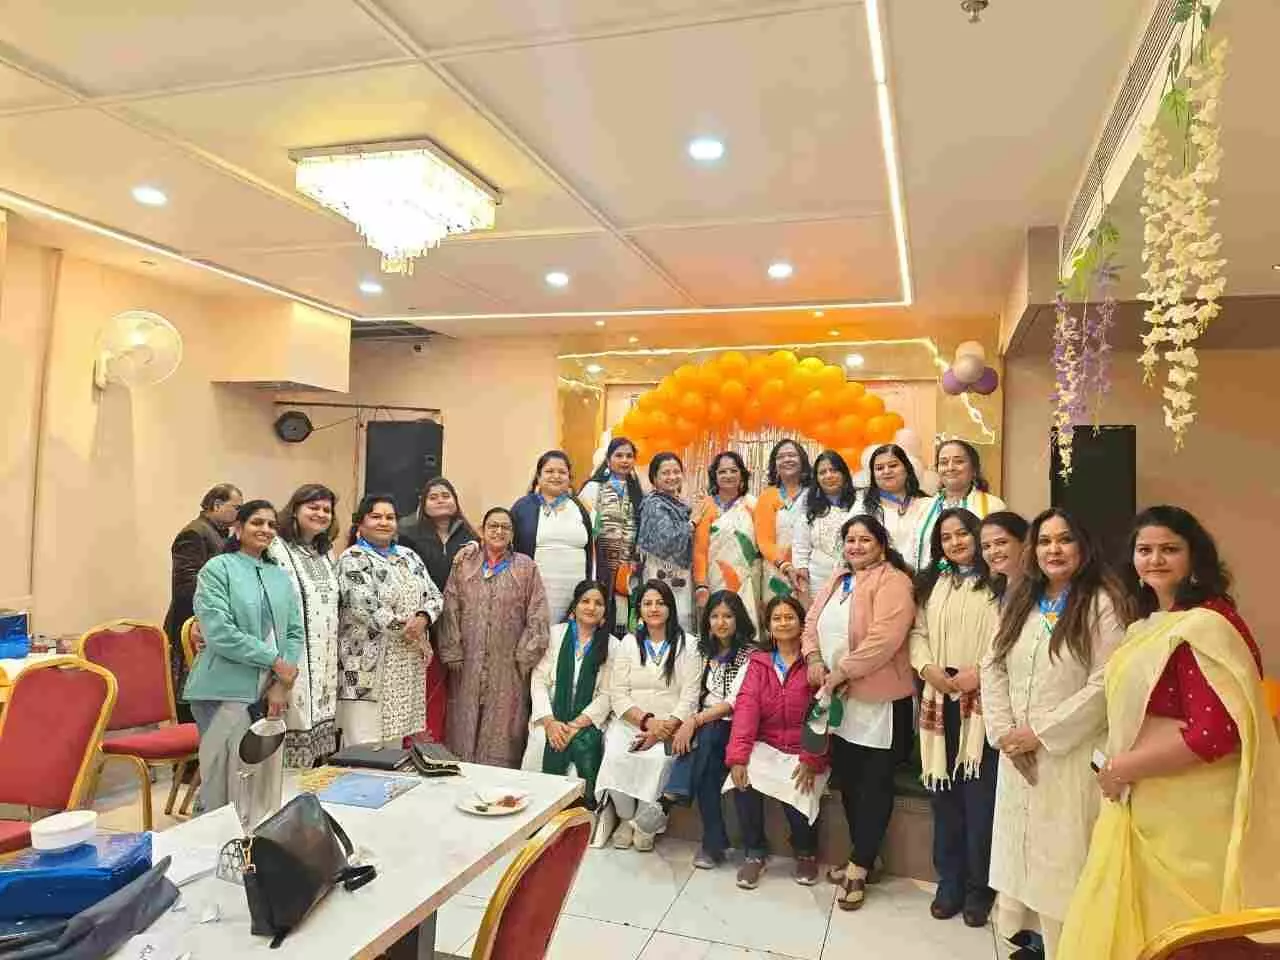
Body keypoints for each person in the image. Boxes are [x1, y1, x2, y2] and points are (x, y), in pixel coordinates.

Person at [1059, 506, 1280, 960]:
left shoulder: (1205, 626)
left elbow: (1213, 735)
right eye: (1145, 550)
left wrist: (1121, 768)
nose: (1155, 559)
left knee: (1182, 939)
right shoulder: (1151, 624)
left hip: (1189, 823)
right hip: (1149, 802)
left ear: (1193, 557)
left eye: (1169, 549)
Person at [980, 508, 1129, 959]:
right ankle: (1031, 941)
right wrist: (1005, 734)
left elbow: (1105, 682)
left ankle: (1068, 948)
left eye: (1064, 540)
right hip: (1017, 754)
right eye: (1044, 541)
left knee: (1063, 861)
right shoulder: (1021, 598)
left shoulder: (1103, 603)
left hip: (1069, 755)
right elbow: (992, 665)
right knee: (1020, 856)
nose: (1054, 550)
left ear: (1083, 546)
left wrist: (1039, 734)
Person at [802, 515, 916, 911]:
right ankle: (865, 856)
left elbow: (884, 640)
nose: (856, 546)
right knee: (849, 780)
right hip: (841, 699)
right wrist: (814, 659)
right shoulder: (839, 579)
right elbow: (811, 622)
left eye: (865, 539)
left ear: (881, 545)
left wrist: (842, 672)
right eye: (850, 540)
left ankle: (860, 865)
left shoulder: (894, 581)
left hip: (879, 702)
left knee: (874, 784)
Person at [909, 508, 1002, 926]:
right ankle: (949, 882)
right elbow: (918, 633)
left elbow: (1008, 638)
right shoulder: (932, 583)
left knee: (980, 803)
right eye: (946, 537)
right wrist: (927, 667)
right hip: (939, 696)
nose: (955, 542)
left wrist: (978, 674)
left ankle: (980, 888)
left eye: (963, 533)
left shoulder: (999, 582)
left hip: (983, 703)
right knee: (944, 798)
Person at [185, 499, 302, 815]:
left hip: (268, 691)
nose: (266, 529)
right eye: (257, 522)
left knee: (260, 783)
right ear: (237, 528)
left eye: (271, 524)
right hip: (223, 689)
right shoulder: (218, 569)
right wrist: (274, 661)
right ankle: (215, 840)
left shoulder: (278, 576)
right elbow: (219, 632)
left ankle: (253, 841)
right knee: (222, 785)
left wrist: (282, 682)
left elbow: (294, 632)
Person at [727, 595, 830, 890]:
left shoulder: (814, 664)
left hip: (804, 747)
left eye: (789, 617)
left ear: (801, 623)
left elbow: (823, 713)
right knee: (743, 780)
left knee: (799, 785)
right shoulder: (759, 664)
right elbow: (745, 709)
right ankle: (754, 852)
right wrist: (738, 757)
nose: (783, 623)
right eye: (776, 618)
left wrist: (811, 759)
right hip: (768, 743)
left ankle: (805, 851)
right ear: (768, 626)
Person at [596, 579, 703, 852]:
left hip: (670, 726)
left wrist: (662, 729)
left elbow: (690, 696)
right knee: (616, 755)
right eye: (647, 603)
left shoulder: (689, 645)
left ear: (670, 608)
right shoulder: (628, 643)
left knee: (658, 760)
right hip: (632, 722)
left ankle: (645, 823)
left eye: (660, 603)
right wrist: (647, 722)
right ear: (639, 610)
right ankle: (625, 819)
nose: (654, 609)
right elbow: (618, 694)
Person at [439, 507, 551, 767]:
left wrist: (524, 656)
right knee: (463, 722)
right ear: (482, 530)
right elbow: (450, 605)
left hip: (508, 663)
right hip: (467, 661)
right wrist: (452, 648)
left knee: (504, 725)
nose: (499, 531)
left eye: (505, 527)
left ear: (512, 534)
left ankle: (497, 780)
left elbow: (538, 613)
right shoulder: (465, 564)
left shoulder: (526, 567)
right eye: (493, 526)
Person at [335, 494, 443, 745]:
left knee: (393, 744)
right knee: (363, 743)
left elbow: (435, 595)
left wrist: (424, 617)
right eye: (375, 516)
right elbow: (364, 606)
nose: (384, 522)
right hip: (365, 664)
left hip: (405, 663)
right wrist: (412, 631)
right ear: (360, 523)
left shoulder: (409, 556)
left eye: (390, 517)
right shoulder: (352, 559)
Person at [663, 591, 755, 869]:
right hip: (706, 724)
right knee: (707, 766)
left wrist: (694, 721)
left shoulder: (750, 654)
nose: (720, 622)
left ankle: (680, 790)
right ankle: (713, 841)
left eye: (727, 616)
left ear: (739, 619)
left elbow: (734, 702)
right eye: (714, 616)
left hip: (737, 724)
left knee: (709, 738)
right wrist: (687, 720)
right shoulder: (702, 651)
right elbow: (692, 692)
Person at [396, 477, 478, 741]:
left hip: (458, 619)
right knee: (423, 681)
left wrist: (476, 545)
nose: (440, 500)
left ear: (455, 500)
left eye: (446, 495)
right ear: (423, 504)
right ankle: (414, 740)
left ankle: (445, 740)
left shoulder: (469, 536)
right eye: (433, 497)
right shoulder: (408, 536)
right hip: (422, 618)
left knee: (452, 685)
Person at [267, 484, 341, 768]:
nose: (321, 514)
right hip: (289, 654)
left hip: (322, 659)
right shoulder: (276, 548)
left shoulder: (325, 553)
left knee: (317, 729)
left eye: (326, 510)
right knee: (288, 725)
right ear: (295, 510)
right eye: (313, 507)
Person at [522, 580, 614, 806]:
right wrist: (550, 722)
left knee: (585, 750)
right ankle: (535, 809)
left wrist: (574, 725)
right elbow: (539, 680)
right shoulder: (555, 635)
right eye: (585, 601)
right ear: (575, 605)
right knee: (539, 741)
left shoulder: (613, 646)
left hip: (587, 721)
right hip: (551, 716)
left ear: (605, 611)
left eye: (598, 603)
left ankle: (581, 812)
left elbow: (608, 694)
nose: (591, 607)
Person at [165, 482, 242, 723]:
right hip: (194, 626)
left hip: (213, 625)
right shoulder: (194, 533)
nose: (239, 513)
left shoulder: (220, 535)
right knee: (196, 704)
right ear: (217, 505)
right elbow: (186, 587)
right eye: (236, 507)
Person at [511, 451, 593, 623]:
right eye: (549, 471)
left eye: (562, 472)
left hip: (574, 593)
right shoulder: (523, 507)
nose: (556, 476)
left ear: (569, 477)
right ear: (538, 476)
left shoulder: (579, 507)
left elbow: (590, 551)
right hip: (536, 593)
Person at [580, 437, 644, 635]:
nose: (624, 460)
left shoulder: (638, 492)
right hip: (599, 561)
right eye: (619, 455)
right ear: (608, 460)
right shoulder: (594, 488)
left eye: (629, 456)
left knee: (623, 618)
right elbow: (584, 524)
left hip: (627, 566)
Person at [693, 451, 760, 630]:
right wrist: (701, 584)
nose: (728, 475)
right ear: (714, 476)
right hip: (715, 579)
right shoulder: (706, 506)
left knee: (747, 627)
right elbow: (700, 550)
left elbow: (761, 545)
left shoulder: (753, 505)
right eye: (722, 472)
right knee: (718, 627)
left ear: (742, 474)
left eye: (733, 470)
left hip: (748, 580)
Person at [915, 440, 1006, 570]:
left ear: (974, 469)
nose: (950, 467)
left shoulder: (993, 505)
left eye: (958, 461)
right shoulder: (922, 506)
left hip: (981, 579)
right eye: (944, 462)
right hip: (930, 580)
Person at [635, 452, 696, 632]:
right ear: (654, 478)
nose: (672, 477)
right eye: (665, 473)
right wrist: (692, 524)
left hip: (681, 574)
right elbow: (667, 539)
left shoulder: (680, 504)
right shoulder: (654, 504)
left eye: (676, 472)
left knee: (682, 618)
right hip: (661, 573)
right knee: (666, 617)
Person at [792, 450, 859, 604]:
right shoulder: (809, 510)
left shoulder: (860, 504)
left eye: (834, 470)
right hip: (817, 584)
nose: (829, 476)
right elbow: (800, 552)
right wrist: (804, 591)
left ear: (844, 474)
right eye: (822, 472)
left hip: (856, 579)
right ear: (816, 478)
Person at [754, 439, 812, 605]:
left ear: (802, 460)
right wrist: (784, 565)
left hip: (809, 572)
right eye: (780, 457)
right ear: (775, 465)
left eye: (792, 455)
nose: (787, 459)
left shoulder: (814, 493)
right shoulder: (767, 496)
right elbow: (764, 540)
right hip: (777, 571)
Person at [860, 444, 931, 570]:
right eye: (879, 468)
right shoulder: (863, 509)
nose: (886, 471)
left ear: (906, 468)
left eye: (893, 465)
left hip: (926, 577)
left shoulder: (929, 505)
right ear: (873, 475)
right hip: (881, 578)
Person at [980, 511, 1030, 599]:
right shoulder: (995, 588)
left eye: (1001, 542)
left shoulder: (1043, 588)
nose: (993, 551)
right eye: (986, 546)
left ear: (1024, 542)